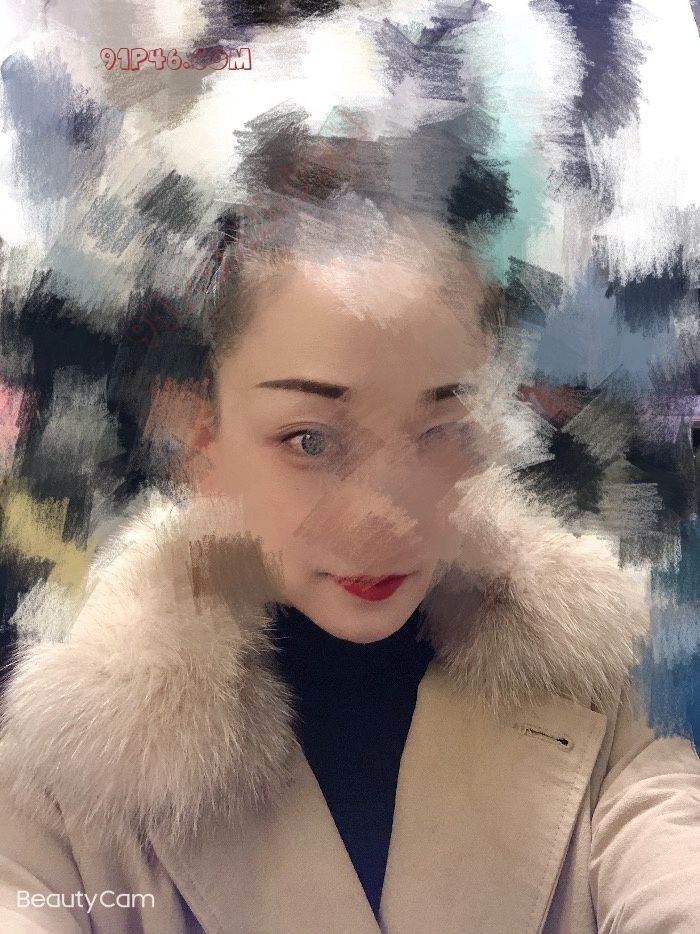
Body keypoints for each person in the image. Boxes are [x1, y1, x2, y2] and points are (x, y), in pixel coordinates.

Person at [0, 197, 699, 934]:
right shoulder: (64, 777)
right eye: (312, 441)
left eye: (438, 432)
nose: (387, 516)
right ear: (204, 441)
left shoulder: (586, 697)